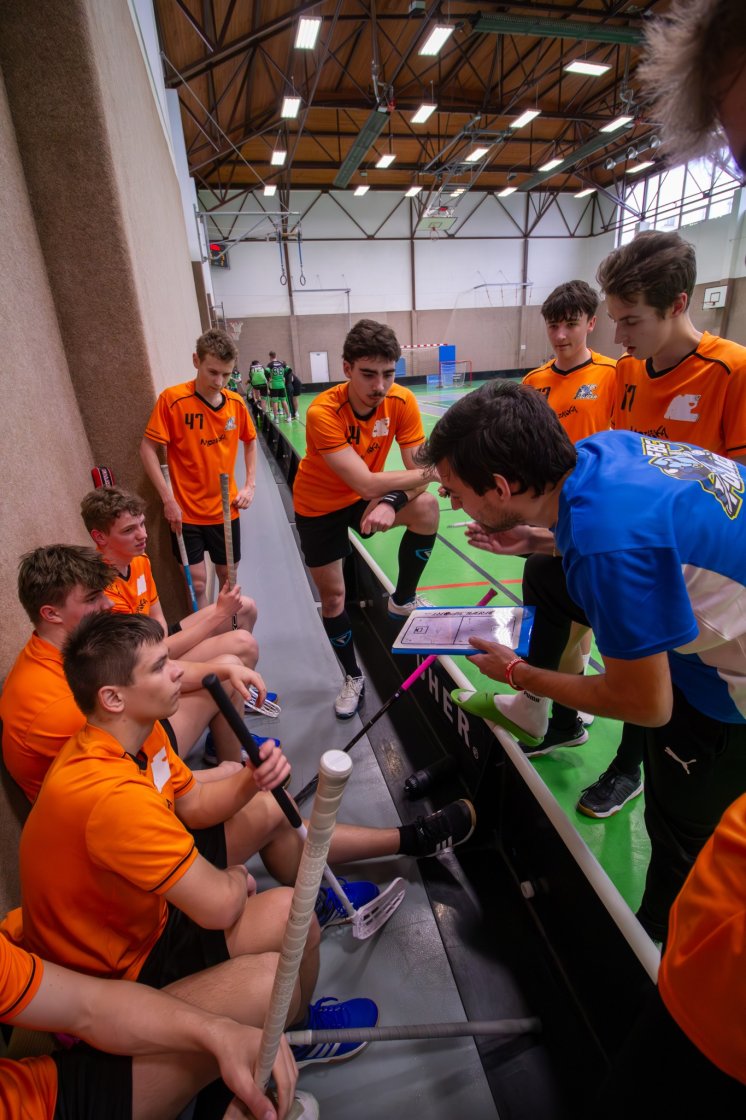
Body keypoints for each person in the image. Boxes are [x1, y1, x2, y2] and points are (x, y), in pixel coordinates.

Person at [419, 379, 746, 943]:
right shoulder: (603, 449)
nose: (452, 503)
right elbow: (641, 535)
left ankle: (659, 943)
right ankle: (552, 720)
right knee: (549, 574)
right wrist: (538, 541)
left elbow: (647, 704)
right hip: (718, 599)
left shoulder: (607, 546)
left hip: (729, 683)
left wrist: (519, 672)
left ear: (500, 487)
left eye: (455, 491)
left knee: (680, 828)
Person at [10, 613, 475, 992]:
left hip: (141, 899)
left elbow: (193, 803)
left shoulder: (138, 732)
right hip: (122, 962)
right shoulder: (112, 797)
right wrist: (233, 878)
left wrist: (250, 781)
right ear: (113, 698)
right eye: (159, 667)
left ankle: (406, 841)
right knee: (291, 916)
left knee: (270, 807)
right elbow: (219, 907)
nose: (179, 671)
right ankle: (294, 1023)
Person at [574, 229, 746, 819]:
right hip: (645, 556)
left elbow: (734, 495)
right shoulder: (627, 372)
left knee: (676, 693)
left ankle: (645, 768)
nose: (618, 336)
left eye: (631, 321)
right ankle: (627, 762)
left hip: (705, 576)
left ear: (678, 304)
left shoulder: (732, 371)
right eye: (614, 320)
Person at [0, 546, 259, 799]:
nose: (108, 603)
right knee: (224, 686)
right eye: (92, 598)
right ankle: (233, 782)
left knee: (226, 673)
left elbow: (159, 669)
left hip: (128, 747)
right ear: (51, 614)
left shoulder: (78, 647)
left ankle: (233, 775)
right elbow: (133, 783)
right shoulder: (57, 707)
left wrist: (222, 669)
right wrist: (223, 776)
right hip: (114, 792)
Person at [292, 319, 439, 718]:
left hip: (366, 499)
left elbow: (418, 473)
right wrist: (431, 474)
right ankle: (353, 677)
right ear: (347, 368)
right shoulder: (324, 411)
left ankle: (403, 600)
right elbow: (366, 480)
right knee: (333, 597)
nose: (380, 385)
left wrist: (393, 500)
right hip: (319, 506)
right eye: (368, 374)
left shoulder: (402, 402)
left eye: (388, 374)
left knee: (427, 508)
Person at [0, 933, 298, 1120]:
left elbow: (90, 1006)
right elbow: (219, 904)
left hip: (50, 1093)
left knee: (268, 984)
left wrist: (218, 1032)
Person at [518, 279, 616, 755]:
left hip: (593, 518)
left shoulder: (615, 375)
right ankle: (566, 708)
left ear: (591, 323)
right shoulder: (533, 383)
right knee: (556, 615)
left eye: (571, 325)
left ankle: (564, 715)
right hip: (547, 518)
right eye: (553, 326)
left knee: (574, 631)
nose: (560, 335)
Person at [140, 328, 257, 610]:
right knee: (198, 583)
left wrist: (250, 485)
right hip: (185, 512)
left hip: (225, 510)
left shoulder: (236, 404)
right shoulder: (172, 400)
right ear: (196, 361)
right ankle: (208, 634)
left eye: (226, 374)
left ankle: (228, 631)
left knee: (228, 578)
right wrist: (167, 500)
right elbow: (147, 449)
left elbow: (250, 440)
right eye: (212, 372)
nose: (219, 382)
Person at [266, 351, 291, 423]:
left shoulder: (270, 364)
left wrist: (269, 378)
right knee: (283, 400)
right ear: (275, 355)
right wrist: (284, 376)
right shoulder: (281, 363)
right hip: (282, 385)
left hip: (274, 385)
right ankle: (288, 417)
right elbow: (289, 369)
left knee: (275, 402)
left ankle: (276, 418)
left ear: (270, 356)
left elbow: (266, 371)